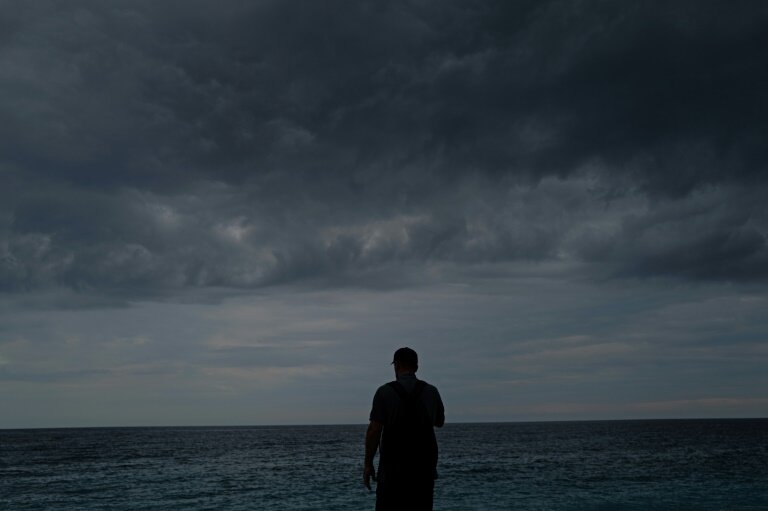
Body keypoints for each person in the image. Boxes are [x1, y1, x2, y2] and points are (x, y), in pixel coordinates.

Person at [364, 347, 445, 511]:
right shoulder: (431, 391)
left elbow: (374, 431)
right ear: (416, 367)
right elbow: (439, 422)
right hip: (423, 474)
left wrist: (368, 464)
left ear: (396, 366)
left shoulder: (384, 392)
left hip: (392, 474)